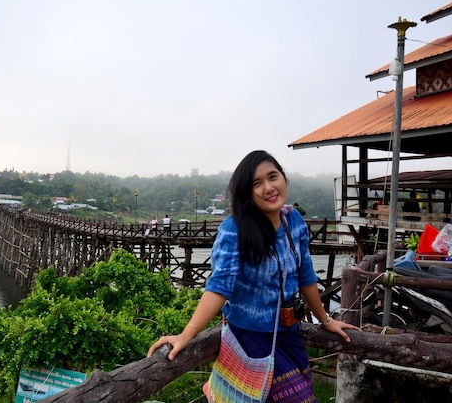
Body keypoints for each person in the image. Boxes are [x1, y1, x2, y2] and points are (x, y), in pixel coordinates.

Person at [147, 150, 358, 402]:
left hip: (289, 334)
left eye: (273, 177)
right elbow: (219, 286)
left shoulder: (294, 221)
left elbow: (306, 276)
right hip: (251, 339)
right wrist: (187, 334)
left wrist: (325, 320)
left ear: (284, 178)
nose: (268, 188)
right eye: (257, 183)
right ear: (247, 193)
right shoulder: (234, 229)